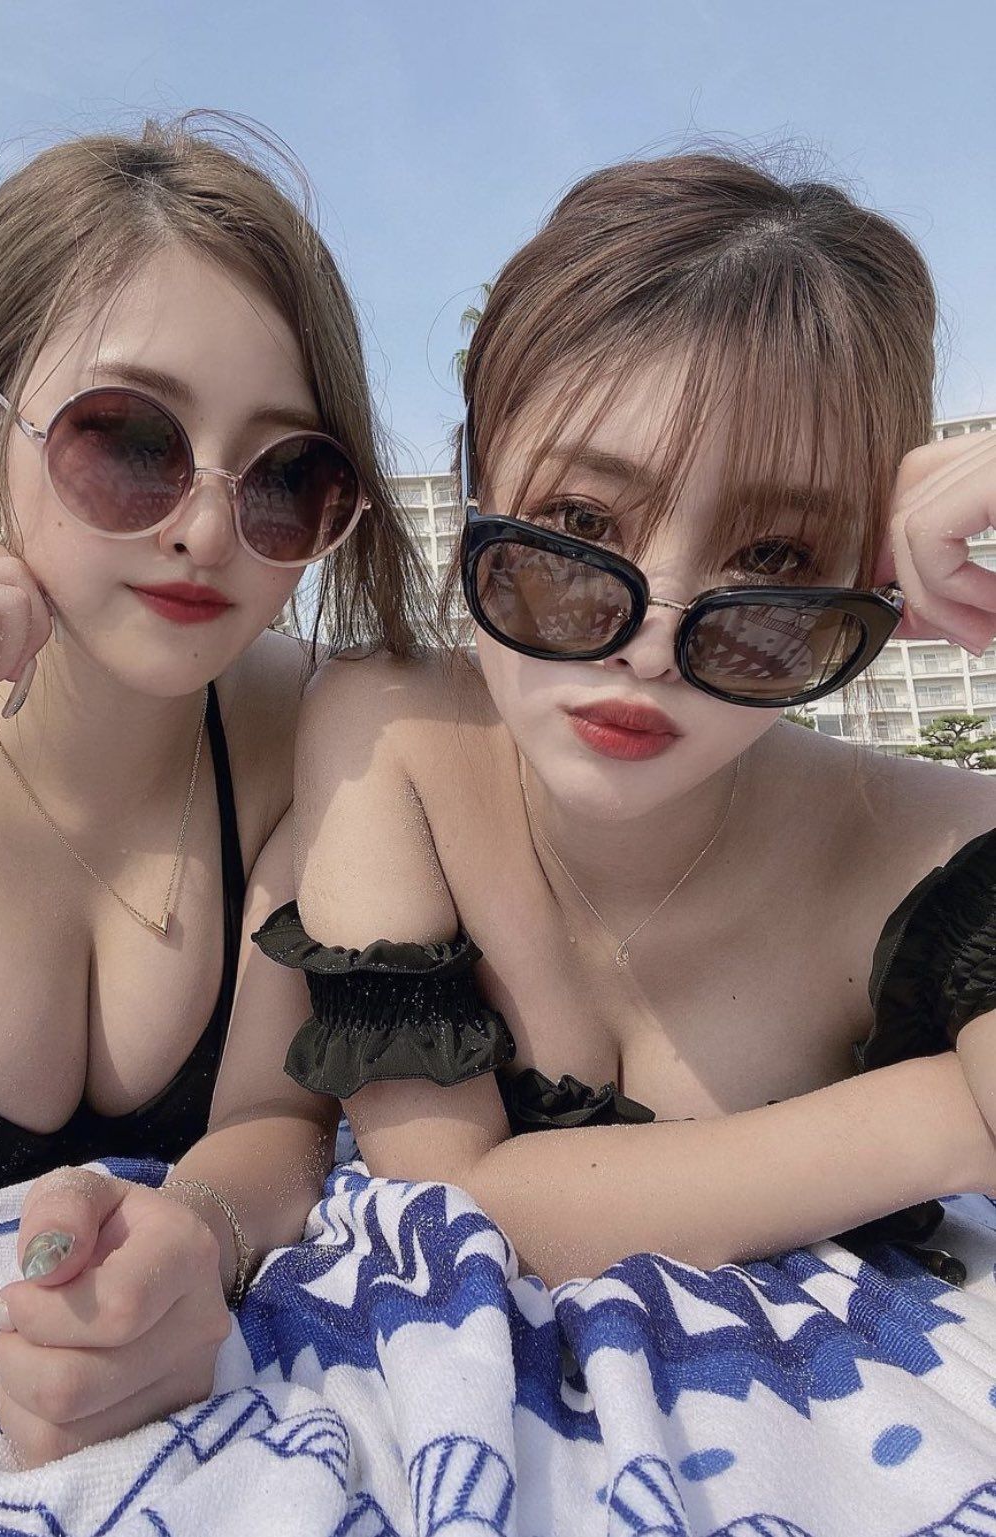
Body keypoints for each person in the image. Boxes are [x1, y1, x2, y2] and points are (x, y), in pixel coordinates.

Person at [0, 114, 430, 1465]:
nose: (206, 528)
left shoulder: (324, 740)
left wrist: (195, 1234)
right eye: (129, 441)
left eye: (288, 477)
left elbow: (268, 1123)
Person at [255, 151, 996, 1295]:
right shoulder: (390, 730)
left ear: (868, 576)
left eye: (773, 556)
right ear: (478, 485)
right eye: (582, 520)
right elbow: (447, 1202)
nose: (649, 642)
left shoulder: (945, 854)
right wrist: (951, 1114)